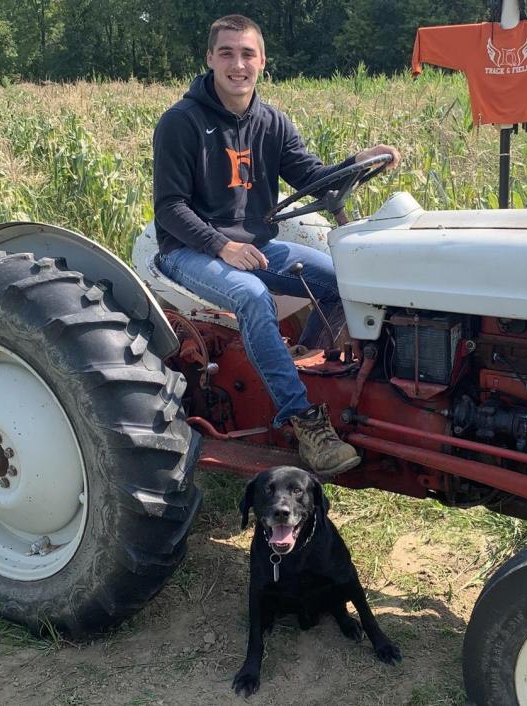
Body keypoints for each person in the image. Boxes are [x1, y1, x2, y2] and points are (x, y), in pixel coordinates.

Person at [152, 14, 400, 477]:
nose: (237, 64)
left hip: (256, 245)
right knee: (251, 296)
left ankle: (300, 369)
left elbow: (310, 176)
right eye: (226, 53)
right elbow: (169, 208)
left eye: (247, 54)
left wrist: (356, 162)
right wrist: (221, 246)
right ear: (210, 59)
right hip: (186, 251)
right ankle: (303, 421)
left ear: (262, 61)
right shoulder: (180, 123)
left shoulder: (272, 122)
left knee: (345, 281)